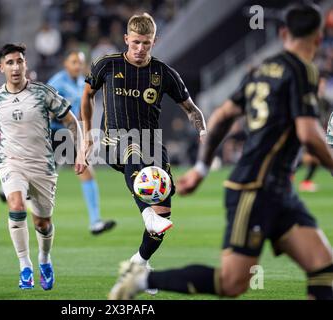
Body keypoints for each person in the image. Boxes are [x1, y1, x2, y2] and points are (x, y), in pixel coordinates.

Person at [108, 4, 333, 300]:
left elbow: (223, 114)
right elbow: (308, 133)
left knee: (323, 268)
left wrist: (201, 168)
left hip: (278, 191)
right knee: (232, 283)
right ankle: (141, 279)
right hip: (254, 189)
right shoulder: (303, 70)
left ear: (282, 33)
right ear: (319, 39)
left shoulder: (261, 69)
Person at [81, 13, 206, 295]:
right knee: (134, 150)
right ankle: (146, 213)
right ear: (126, 39)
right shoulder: (107, 65)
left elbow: (192, 110)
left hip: (152, 144)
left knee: (165, 211)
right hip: (116, 142)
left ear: (154, 42)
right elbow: (87, 95)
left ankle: (140, 261)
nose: (140, 49)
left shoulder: (164, 74)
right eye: (135, 42)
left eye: (146, 44)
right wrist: (85, 137)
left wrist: (205, 134)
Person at [0, 43, 86, 290]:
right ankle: (25, 267)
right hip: (11, 162)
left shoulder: (43, 93)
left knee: (42, 223)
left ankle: (44, 259)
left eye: (20, 61)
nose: (16, 67)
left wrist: (80, 153)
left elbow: (71, 120)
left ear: (26, 64)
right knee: (15, 204)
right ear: (1, 67)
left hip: (42, 165)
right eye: (10, 62)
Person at [48, 50, 116, 235]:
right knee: (40, 179)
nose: (77, 65)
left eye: (80, 62)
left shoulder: (81, 83)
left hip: (66, 134)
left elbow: (80, 111)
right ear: (65, 63)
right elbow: (44, 108)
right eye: (73, 62)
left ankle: (95, 222)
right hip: (49, 134)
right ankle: (7, 189)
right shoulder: (56, 82)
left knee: (86, 172)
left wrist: (84, 133)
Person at [298, 75, 333, 192]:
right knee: (308, 158)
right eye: (320, 84)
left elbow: (328, 119)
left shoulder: (326, 102)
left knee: (314, 158)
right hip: (305, 132)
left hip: (319, 133)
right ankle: (293, 177)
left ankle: (305, 181)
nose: (322, 87)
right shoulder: (307, 99)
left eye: (324, 85)